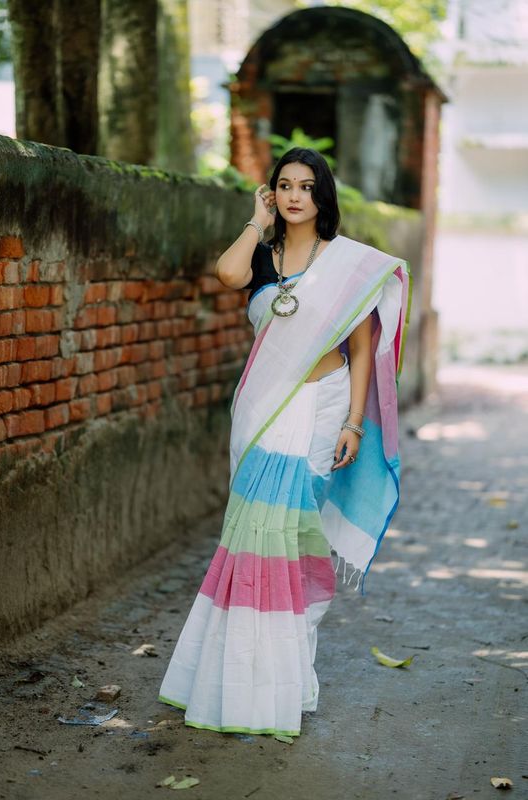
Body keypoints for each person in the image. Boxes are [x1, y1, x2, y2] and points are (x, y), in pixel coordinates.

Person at [158, 147, 411, 738]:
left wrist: (354, 422)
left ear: (323, 196)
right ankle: (236, 679)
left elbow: (361, 350)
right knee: (251, 532)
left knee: (294, 535)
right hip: (263, 408)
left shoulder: (348, 264)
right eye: (285, 185)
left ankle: (286, 677)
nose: (296, 195)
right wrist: (256, 221)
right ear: (273, 193)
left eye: (307, 186)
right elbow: (227, 275)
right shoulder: (262, 256)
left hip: (325, 405)